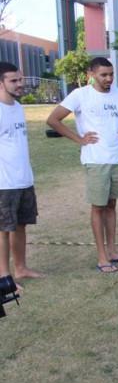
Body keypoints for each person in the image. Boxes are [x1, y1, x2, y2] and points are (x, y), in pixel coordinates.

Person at [46, 57, 118, 273]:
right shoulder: (81, 95)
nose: (108, 79)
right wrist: (79, 139)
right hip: (95, 160)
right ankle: (101, 256)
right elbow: (53, 119)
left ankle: (113, 251)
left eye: (111, 74)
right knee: (98, 207)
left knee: (112, 205)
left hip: (117, 158)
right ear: (92, 74)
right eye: (103, 75)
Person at [0, 62, 43, 291]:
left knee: (20, 226)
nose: (20, 84)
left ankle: (21, 268)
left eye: (20, 79)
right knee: (3, 230)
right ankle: (4, 278)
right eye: (13, 80)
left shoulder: (17, 107)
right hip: (3, 183)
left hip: (23, 179)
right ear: (1, 83)